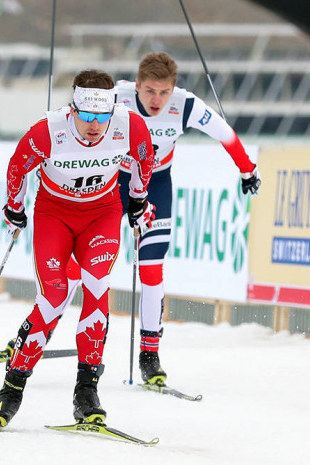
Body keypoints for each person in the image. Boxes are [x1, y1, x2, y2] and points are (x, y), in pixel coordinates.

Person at [65, 52, 262, 387]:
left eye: (164, 93)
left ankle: (149, 355)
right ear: (137, 85)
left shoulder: (185, 105)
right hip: (115, 182)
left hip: (156, 184)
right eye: (150, 92)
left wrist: (247, 170)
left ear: (174, 89)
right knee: (83, 264)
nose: (156, 100)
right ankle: (44, 332)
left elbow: (225, 134)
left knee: (152, 268)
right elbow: (70, 119)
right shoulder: (118, 98)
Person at [0, 69, 155, 432]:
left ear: (113, 110)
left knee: (96, 287)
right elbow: (17, 168)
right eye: (86, 116)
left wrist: (138, 200)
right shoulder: (47, 130)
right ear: (72, 108)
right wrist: (15, 208)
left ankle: (86, 392)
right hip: (54, 214)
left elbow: (145, 160)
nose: (94, 126)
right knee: (54, 297)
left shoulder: (130, 124)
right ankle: (12, 389)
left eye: (102, 117)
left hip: (102, 212)